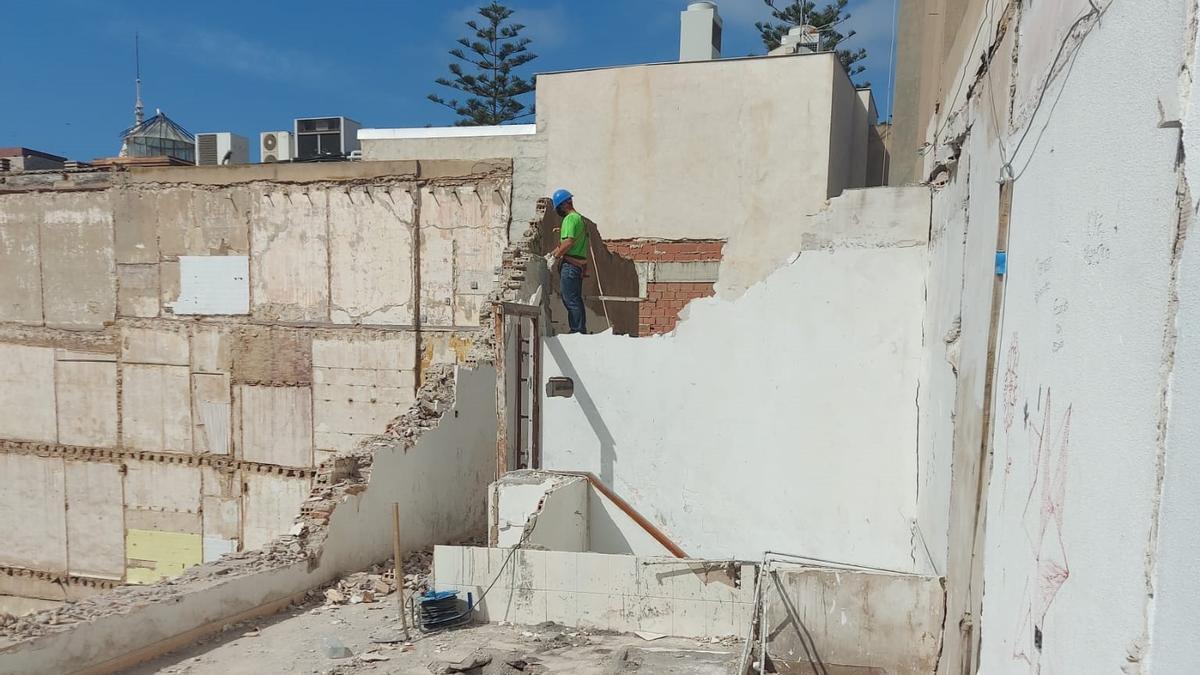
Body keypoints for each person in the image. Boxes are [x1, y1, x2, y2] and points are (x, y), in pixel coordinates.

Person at [549, 188, 589, 334]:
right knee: (574, 299)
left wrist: (555, 257)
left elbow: (568, 243)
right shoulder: (580, 219)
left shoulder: (570, 219)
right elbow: (565, 244)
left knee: (570, 299)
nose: (558, 210)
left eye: (558, 207)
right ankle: (579, 328)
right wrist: (554, 252)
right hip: (577, 265)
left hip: (571, 266)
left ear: (565, 204)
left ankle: (577, 329)